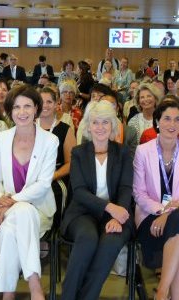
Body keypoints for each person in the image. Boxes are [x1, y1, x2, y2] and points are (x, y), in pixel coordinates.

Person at [133, 98, 179, 300]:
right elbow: (139, 192)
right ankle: (173, 296)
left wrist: (169, 213)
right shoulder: (143, 151)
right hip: (151, 213)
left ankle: (163, 292)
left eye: (177, 119)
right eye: (167, 118)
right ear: (157, 121)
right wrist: (162, 211)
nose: (172, 124)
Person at [0, 85, 58, 299]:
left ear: (36, 109)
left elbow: (43, 185)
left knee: (13, 226)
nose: (22, 112)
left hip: (38, 210)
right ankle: (35, 285)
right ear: (10, 111)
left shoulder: (50, 141)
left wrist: (10, 202)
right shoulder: (2, 138)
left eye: (27, 106)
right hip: (7, 208)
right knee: (20, 214)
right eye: (17, 107)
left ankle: (8, 294)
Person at [61, 100, 132, 300]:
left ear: (112, 126)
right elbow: (80, 192)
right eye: (95, 122)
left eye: (105, 122)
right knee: (87, 239)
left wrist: (118, 216)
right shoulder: (78, 153)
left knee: (110, 244)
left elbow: (126, 188)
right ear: (88, 126)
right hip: (83, 213)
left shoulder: (123, 152)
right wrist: (110, 208)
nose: (100, 127)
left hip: (118, 214)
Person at [38, 86, 76, 203]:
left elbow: (71, 162)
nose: (45, 105)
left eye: (49, 102)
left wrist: (52, 176)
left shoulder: (65, 129)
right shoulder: (28, 126)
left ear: (56, 104)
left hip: (55, 178)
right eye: (41, 102)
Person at [126, 83, 163, 156]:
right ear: (138, 101)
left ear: (155, 98)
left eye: (149, 96)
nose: (145, 99)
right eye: (142, 97)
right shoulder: (133, 122)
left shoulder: (164, 119)